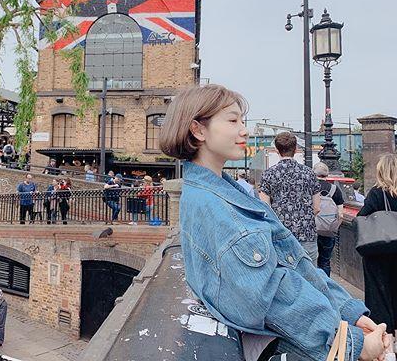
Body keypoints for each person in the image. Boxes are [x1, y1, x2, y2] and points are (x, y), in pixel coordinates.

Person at [159, 83, 388, 361]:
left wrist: (348, 313)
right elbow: (274, 296)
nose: (244, 130)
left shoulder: (222, 192)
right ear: (198, 130)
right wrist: (352, 343)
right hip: (308, 242)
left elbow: (292, 268)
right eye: (233, 121)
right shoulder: (216, 208)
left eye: (242, 121)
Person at [258, 132, 322, 265]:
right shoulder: (309, 173)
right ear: (296, 149)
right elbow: (316, 208)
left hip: (280, 236)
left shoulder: (268, 174)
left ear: (277, 150)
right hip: (306, 234)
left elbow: (265, 209)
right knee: (310, 275)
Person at [358, 154, 397, 348]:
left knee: (379, 297)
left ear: (381, 171)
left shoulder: (376, 193)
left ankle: (387, 345)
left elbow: (361, 217)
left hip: (378, 253)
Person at [313, 162, 345, 277]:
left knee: (311, 261)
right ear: (327, 174)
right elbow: (341, 214)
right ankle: (326, 285)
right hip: (328, 231)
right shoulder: (335, 190)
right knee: (325, 261)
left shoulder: (310, 187)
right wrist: (334, 228)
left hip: (312, 230)